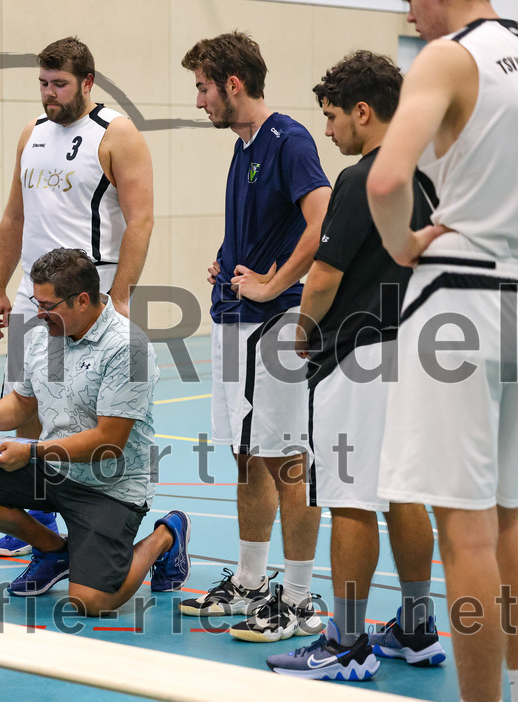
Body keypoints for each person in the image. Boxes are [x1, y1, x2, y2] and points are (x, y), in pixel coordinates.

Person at [265, 50, 444, 681]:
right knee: (400, 494)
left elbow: (324, 275)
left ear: (363, 113)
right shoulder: (430, 175)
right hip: (417, 353)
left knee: (348, 501)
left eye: (333, 117)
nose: (330, 130)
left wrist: (303, 330)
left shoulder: (363, 177)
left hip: (357, 356)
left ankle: (344, 644)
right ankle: (419, 628)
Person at [367, 2, 518, 699]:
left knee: (467, 535)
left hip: (460, 297)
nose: (406, 10)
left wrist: (401, 245)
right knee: (512, 516)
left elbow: (388, 179)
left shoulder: (453, 56)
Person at [179, 32, 332, 642]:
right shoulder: (242, 150)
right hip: (235, 322)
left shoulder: (289, 140)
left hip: (279, 325)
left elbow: (321, 222)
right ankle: (250, 581)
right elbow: (264, 228)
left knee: (289, 459)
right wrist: (227, 261)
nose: (199, 102)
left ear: (233, 84)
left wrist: (272, 286)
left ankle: (297, 598)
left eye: (203, 87)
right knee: (248, 456)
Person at [0, 248, 189, 615]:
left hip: (111, 485)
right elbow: (23, 403)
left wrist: (30, 453)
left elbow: (109, 442)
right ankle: (58, 553)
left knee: (91, 602)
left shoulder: (128, 348)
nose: (39, 314)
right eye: (36, 303)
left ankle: (165, 536)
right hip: (54, 467)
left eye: (47, 305)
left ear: (83, 300)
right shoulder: (47, 335)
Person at [0, 36, 154, 557]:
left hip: (87, 296)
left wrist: (120, 295)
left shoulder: (117, 134)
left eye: (58, 84)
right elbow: (15, 216)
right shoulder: (31, 134)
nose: (48, 94)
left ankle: (92, 512)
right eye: (42, 83)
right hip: (33, 294)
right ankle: (37, 514)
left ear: (87, 82)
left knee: (84, 417)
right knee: (28, 402)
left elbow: (141, 219)